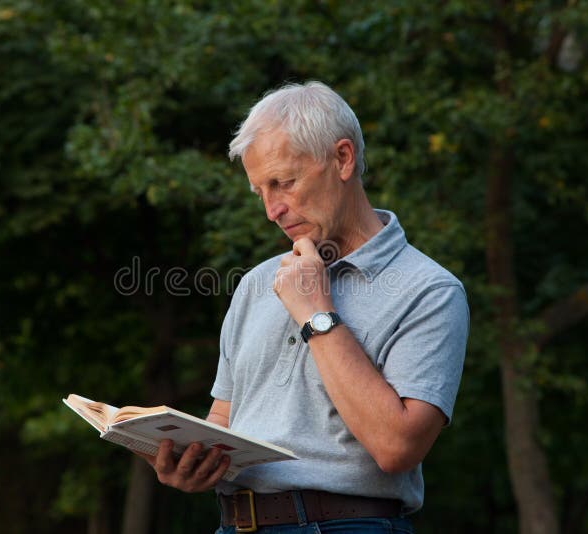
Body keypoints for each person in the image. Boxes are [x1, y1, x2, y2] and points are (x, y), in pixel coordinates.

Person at [138, 81, 469, 533]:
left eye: (285, 183)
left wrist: (316, 311)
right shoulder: (257, 283)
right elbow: (226, 419)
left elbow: (396, 448)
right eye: (260, 192)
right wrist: (191, 462)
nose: (272, 209)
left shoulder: (429, 290)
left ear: (343, 159)